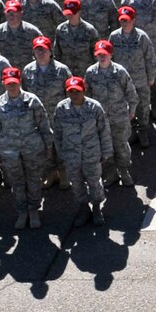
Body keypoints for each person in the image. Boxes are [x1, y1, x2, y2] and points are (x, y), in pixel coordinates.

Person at [0, 67, 53, 230]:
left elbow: (44, 125)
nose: (11, 86)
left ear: (20, 82)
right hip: (9, 150)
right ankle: (22, 211)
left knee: (33, 180)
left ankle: (34, 210)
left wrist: (49, 146)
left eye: (14, 83)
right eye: (8, 83)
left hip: (32, 148)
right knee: (16, 182)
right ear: (3, 83)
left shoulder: (32, 100)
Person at [85, 40, 146, 188]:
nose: (101, 57)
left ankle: (124, 171)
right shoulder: (91, 73)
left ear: (111, 54)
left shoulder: (119, 72)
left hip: (119, 117)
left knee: (121, 146)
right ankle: (111, 173)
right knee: (105, 148)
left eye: (104, 54)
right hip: (101, 119)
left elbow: (131, 93)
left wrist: (132, 111)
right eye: (99, 54)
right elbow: (87, 96)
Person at [52, 76, 111, 227]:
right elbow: (57, 134)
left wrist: (106, 152)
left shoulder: (94, 107)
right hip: (71, 155)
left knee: (94, 182)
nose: (74, 95)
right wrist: (62, 154)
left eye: (77, 91)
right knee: (76, 184)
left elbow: (104, 130)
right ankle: (84, 209)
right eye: (71, 92)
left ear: (84, 90)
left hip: (91, 153)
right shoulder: (61, 109)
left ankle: (97, 208)